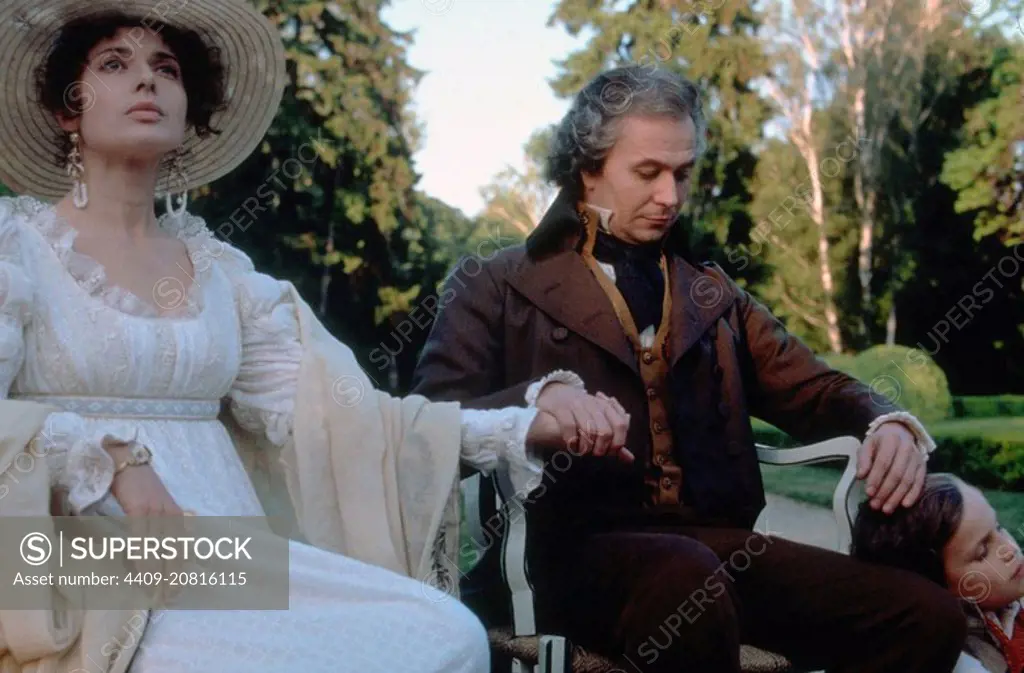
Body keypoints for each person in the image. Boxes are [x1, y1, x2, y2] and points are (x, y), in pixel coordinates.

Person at [0, 2, 630, 672]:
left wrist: (526, 424)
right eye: (114, 64)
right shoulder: (17, 253)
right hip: (72, 566)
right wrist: (110, 458)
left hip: (227, 562)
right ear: (68, 108)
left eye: (166, 68)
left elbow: (349, 422)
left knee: (443, 633)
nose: (147, 80)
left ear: (190, 110)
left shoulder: (227, 279)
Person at [410, 64, 969, 672]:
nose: (671, 197)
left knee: (928, 616)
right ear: (587, 168)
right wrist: (533, 408)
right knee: (687, 578)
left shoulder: (714, 294)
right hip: (562, 556)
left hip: (719, 553)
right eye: (647, 173)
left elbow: (817, 389)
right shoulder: (494, 284)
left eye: (682, 173)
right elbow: (427, 425)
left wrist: (886, 422)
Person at [852, 473, 1024, 673]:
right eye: (982, 552)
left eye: (999, 528)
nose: (1009, 549)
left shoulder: (1008, 602)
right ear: (937, 589)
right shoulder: (963, 660)